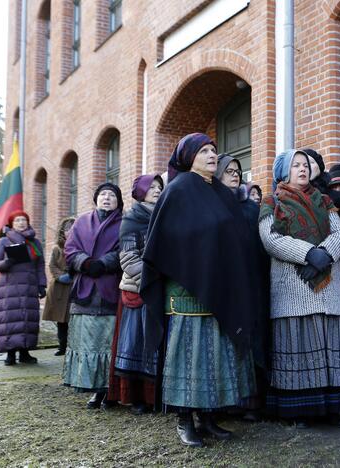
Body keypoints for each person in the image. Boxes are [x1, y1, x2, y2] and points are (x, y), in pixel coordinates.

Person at [141, 133, 260, 447]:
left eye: (213, 150)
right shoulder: (177, 191)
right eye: (204, 151)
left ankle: (208, 418)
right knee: (190, 357)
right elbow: (161, 245)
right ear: (188, 157)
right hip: (188, 288)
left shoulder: (222, 192)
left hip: (221, 286)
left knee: (216, 356)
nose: (211, 155)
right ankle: (184, 419)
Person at [259, 149, 340, 429]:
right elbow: (271, 239)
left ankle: (333, 408)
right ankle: (298, 410)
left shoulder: (324, 200)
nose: (302, 169)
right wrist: (308, 253)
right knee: (298, 348)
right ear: (283, 171)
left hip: (328, 287)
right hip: (293, 287)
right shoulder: (271, 201)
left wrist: (324, 255)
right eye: (295, 165)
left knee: (330, 346)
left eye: (305, 165)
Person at [215, 153, 270, 420]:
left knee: (252, 340)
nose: (235, 175)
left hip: (251, 282)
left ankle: (251, 402)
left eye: (238, 171)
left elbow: (261, 246)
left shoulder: (251, 208)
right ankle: (225, 401)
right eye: (229, 171)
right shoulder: (211, 205)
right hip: (224, 284)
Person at [107, 174, 163, 415]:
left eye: (160, 187)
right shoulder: (132, 218)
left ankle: (154, 396)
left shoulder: (164, 215)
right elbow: (128, 258)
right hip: (137, 290)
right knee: (135, 343)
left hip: (160, 287)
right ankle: (135, 396)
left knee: (154, 344)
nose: (157, 190)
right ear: (140, 191)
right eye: (151, 187)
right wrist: (150, 282)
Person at [63, 183, 123, 409]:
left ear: (118, 201)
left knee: (109, 344)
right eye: (103, 195)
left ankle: (110, 391)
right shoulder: (81, 222)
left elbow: (125, 250)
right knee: (87, 343)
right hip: (85, 289)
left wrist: (104, 263)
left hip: (110, 288)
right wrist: (86, 263)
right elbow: (70, 250)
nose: (107, 198)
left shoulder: (123, 223)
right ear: (96, 199)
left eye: (112, 195)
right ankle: (93, 389)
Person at [0, 211, 47, 365]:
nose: (21, 223)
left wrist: (42, 284)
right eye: (17, 220)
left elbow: (40, 265)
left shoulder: (35, 242)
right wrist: (8, 262)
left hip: (29, 287)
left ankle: (25, 353)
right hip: (9, 288)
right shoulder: (3, 241)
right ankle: (10, 354)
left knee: (27, 320)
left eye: (24, 220)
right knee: (10, 321)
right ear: (11, 224)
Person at [42, 217, 76, 356]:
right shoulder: (57, 248)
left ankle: (72, 346)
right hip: (60, 289)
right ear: (63, 231)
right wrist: (62, 276)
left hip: (75, 287)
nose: (70, 232)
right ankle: (62, 346)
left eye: (73, 229)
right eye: (67, 229)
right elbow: (52, 265)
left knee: (73, 319)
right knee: (61, 321)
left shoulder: (81, 245)